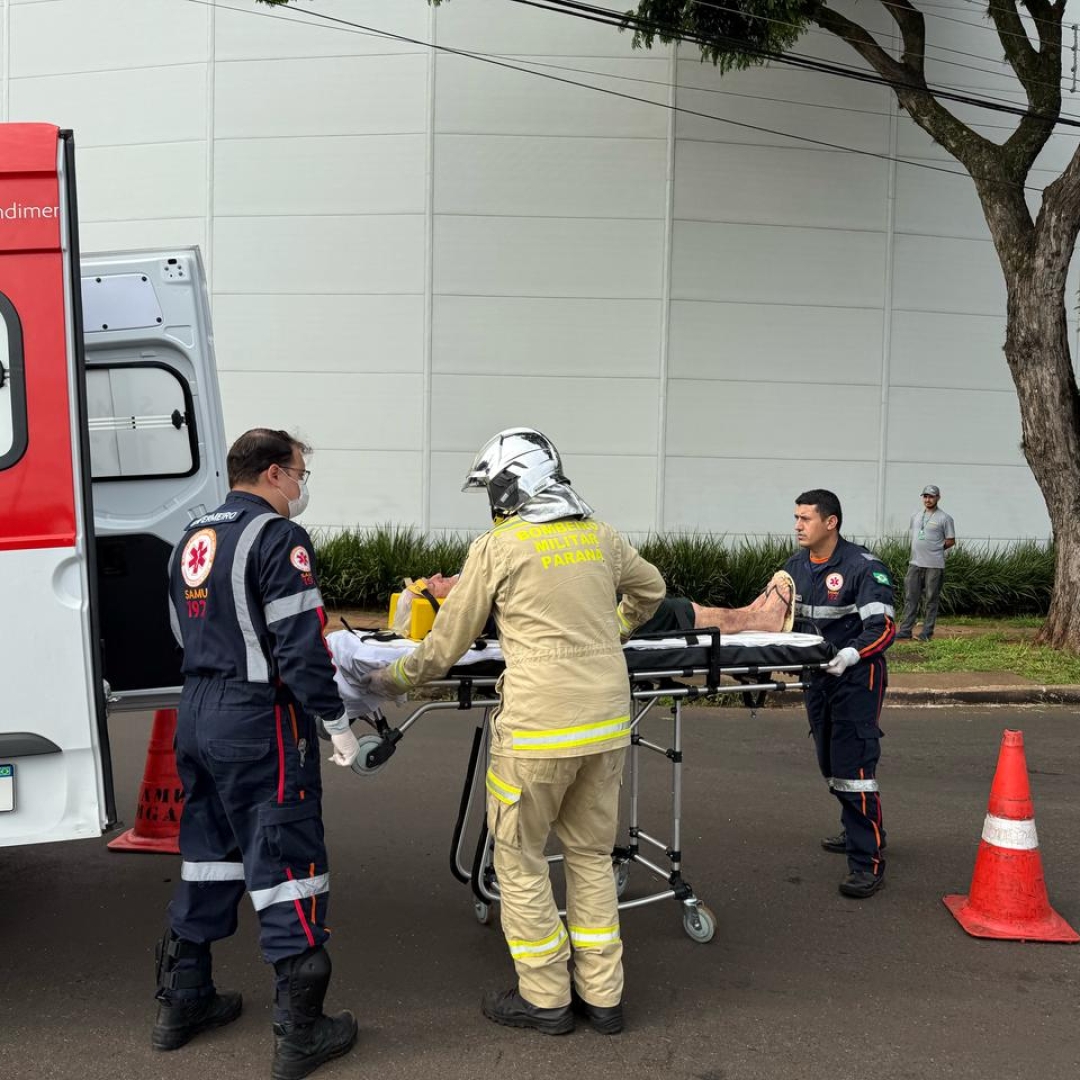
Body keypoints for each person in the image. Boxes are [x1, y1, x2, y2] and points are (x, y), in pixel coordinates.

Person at [367, 427, 666, 1036]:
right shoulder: (600, 536)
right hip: (607, 725)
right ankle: (604, 997)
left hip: (536, 733)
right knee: (589, 857)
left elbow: (447, 642)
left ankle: (547, 997)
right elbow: (651, 590)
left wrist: (394, 678)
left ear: (515, 487)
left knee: (522, 859)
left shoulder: (499, 547)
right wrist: (613, 631)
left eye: (495, 491)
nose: (493, 503)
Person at [157, 428, 359, 1080]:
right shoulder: (277, 538)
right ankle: (301, 1033)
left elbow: (183, 632)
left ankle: (183, 1003)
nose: (300, 488)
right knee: (286, 858)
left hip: (195, 713)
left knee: (209, 856)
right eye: (299, 473)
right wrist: (336, 722)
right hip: (257, 719)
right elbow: (299, 645)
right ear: (273, 473)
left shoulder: (190, 537)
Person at [784, 489, 896, 900]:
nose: (797, 525)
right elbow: (781, 620)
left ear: (830, 522)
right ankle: (860, 827)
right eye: (795, 518)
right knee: (829, 764)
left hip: (856, 679)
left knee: (853, 771)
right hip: (817, 679)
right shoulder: (793, 567)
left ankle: (867, 862)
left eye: (805, 518)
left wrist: (850, 654)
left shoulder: (863, 568)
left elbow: (883, 628)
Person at [413, 571, 796, 636]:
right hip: (588, 620)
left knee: (668, 606)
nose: (437, 577)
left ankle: (751, 614)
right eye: (432, 583)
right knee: (669, 608)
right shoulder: (472, 596)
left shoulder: (476, 590)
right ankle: (759, 619)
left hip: (577, 609)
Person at [896, 484, 956, 641]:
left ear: (938, 498)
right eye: (925, 496)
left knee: (931, 599)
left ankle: (926, 633)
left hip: (934, 565)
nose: (928, 499)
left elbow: (950, 541)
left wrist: (936, 548)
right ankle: (905, 630)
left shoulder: (945, 518)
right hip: (915, 563)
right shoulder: (916, 516)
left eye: (931, 496)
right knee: (911, 598)